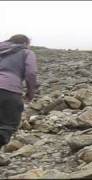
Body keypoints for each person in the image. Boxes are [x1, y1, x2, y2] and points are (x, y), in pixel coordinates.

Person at [0, 34, 38, 165]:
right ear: (25, 43)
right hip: (9, 89)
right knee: (7, 124)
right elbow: (31, 73)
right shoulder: (26, 52)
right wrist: (30, 93)